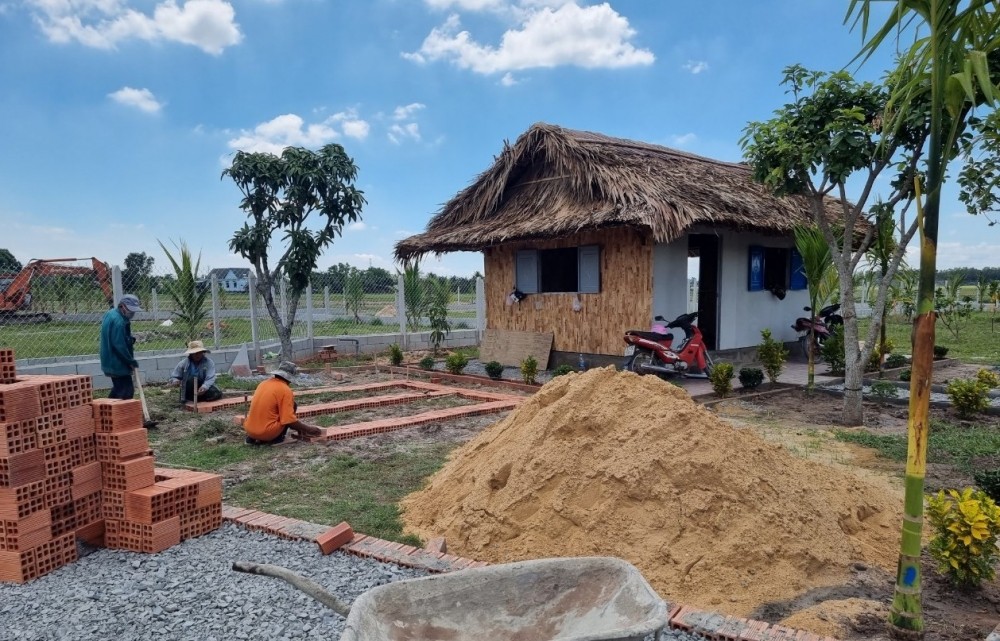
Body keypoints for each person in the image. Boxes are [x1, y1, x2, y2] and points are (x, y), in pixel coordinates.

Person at [242, 361, 322, 445]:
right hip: (267, 433)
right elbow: (288, 420)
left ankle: (251, 438)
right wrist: (308, 429)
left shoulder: (263, 384)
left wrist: (299, 428)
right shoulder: (285, 390)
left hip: (249, 430)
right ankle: (278, 439)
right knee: (293, 406)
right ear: (290, 377)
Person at [100, 294, 142, 400]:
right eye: (130, 310)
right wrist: (130, 361)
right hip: (117, 363)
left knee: (118, 389)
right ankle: (119, 414)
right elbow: (119, 345)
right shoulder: (119, 321)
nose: (132, 313)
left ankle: (106, 410)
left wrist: (128, 339)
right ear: (122, 306)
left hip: (109, 359)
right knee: (126, 392)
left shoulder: (111, 314)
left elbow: (114, 336)